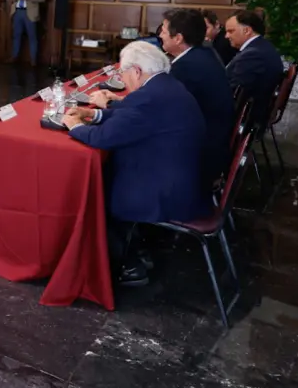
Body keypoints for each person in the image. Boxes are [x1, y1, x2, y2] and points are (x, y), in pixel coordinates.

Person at [63, 41, 207, 286]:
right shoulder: (166, 86)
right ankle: (137, 249)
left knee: (98, 189)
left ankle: (129, 265)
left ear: (137, 71)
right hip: (182, 173)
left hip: (168, 188)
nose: (122, 79)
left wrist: (74, 126)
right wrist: (94, 114)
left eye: (123, 73)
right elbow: (131, 116)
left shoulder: (147, 98)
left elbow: (104, 138)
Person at [91, 9, 234, 191]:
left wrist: (109, 104)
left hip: (196, 156)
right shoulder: (204, 52)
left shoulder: (186, 68)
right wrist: (121, 99)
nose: (160, 35)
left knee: (117, 152)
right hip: (210, 140)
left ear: (178, 38)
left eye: (164, 31)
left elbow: (151, 112)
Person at [224, 10, 284, 127]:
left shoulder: (253, 55)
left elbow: (234, 91)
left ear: (247, 30)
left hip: (245, 117)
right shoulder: (261, 47)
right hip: (251, 111)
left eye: (231, 31)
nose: (226, 36)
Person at [7, 0, 46, 65]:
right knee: (16, 35)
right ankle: (14, 57)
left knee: (32, 36)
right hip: (18, 12)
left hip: (30, 13)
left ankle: (33, 60)